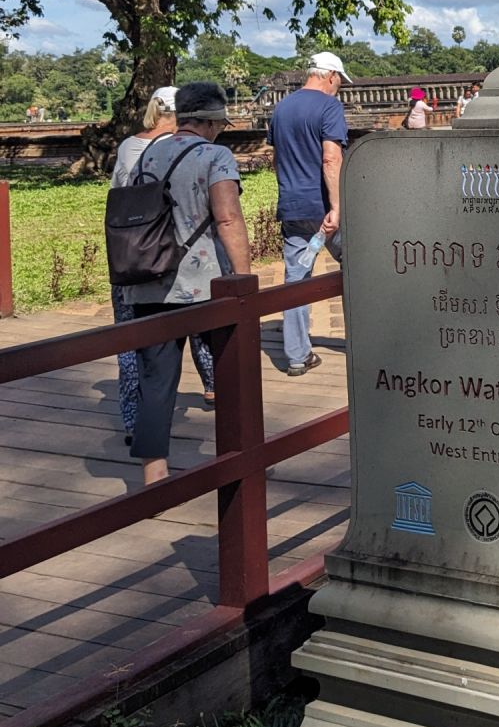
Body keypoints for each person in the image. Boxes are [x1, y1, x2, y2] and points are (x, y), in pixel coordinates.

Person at [125, 83, 250, 485]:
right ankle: (239, 455)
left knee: (155, 378)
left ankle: (153, 473)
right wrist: (244, 278)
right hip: (205, 282)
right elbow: (228, 217)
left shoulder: (147, 153)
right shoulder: (215, 156)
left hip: (150, 279)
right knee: (233, 370)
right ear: (210, 122)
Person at [111, 85, 216, 442]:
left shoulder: (131, 148)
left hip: (135, 254)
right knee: (203, 330)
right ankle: (214, 386)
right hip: (184, 257)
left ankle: (137, 422)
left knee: (135, 344)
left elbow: (120, 197)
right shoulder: (196, 150)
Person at [266, 50, 350, 376]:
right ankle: (364, 340)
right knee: (358, 268)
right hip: (324, 208)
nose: (339, 87)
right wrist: (337, 207)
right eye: (340, 81)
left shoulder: (281, 108)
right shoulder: (329, 106)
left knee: (296, 280)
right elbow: (331, 159)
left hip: (293, 207)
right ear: (330, 75)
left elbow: (277, 160)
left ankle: (298, 356)